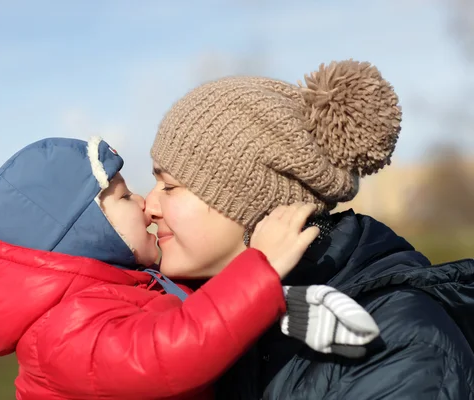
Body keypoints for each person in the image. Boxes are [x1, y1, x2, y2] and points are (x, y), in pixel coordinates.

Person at [146, 59, 474, 399]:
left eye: (169, 186)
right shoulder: (193, 320)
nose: (149, 206)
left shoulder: (398, 341)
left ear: (254, 200)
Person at [0, 136, 377, 400]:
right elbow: (169, 352)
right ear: (85, 226)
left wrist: (284, 309)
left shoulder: (123, 291)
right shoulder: (61, 331)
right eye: (123, 197)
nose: (144, 202)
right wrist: (260, 267)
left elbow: (192, 315)